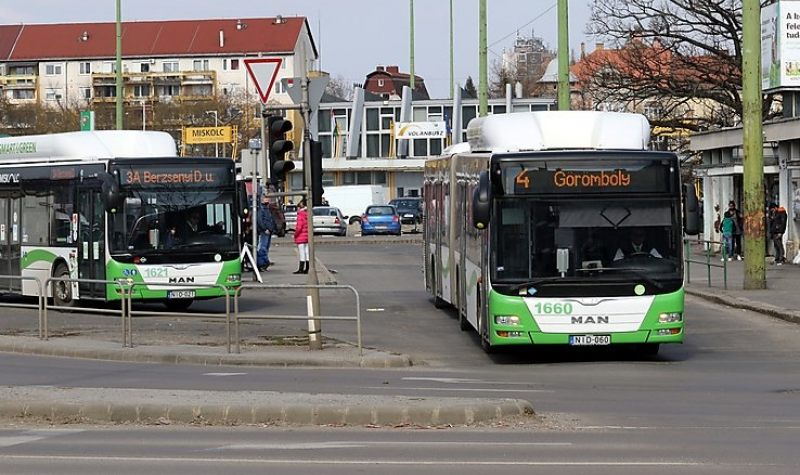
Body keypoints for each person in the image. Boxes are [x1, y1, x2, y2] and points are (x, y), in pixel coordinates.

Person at [256, 195, 277, 271]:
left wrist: (273, 228)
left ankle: (264, 263)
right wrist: (264, 229)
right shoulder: (261, 209)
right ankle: (262, 263)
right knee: (263, 248)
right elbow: (260, 220)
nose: (268, 200)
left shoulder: (267, 209)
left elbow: (271, 219)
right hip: (264, 231)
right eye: (266, 198)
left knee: (265, 248)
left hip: (268, 231)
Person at [293, 200, 309, 274]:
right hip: (307, 236)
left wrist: (295, 235)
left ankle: (301, 268)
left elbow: (299, 227)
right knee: (307, 252)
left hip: (301, 236)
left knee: (302, 253)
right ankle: (308, 268)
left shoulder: (300, 215)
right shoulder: (307, 214)